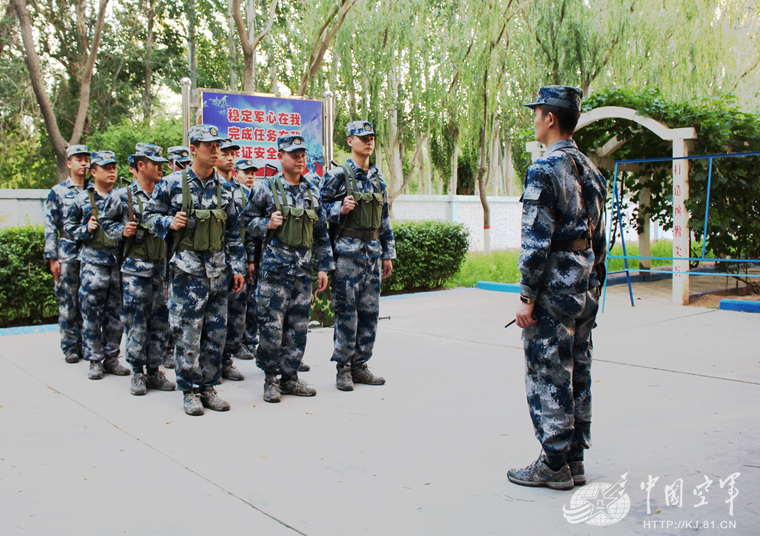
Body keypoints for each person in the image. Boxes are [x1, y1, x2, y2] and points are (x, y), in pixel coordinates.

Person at [507, 86, 607, 490]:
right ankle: (574, 458)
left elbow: (535, 242)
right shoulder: (590, 168)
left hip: (553, 290)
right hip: (584, 285)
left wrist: (527, 297)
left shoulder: (545, 169)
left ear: (550, 118)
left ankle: (552, 462)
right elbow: (600, 237)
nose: (533, 120)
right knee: (578, 368)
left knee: (548, 370)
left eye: (537, 114)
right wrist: (595, 283)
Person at [143, 124, 246, 416]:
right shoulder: (172, 184)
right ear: (192, 149)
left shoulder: (227, 188)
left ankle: (209, 387)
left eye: (217, 145)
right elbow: (149, 215)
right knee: (188, 332)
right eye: (208, 145)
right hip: (187, 272)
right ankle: (190, 390)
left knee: (215, 333)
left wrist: (237, 266)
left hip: (218, 271)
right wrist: (168, 223)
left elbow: (233, 232)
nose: (214, 150)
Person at [240, 134, 334, 403]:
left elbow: (320, 231)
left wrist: (324, 267)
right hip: (274, 272)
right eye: (294, 154)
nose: (300, 158)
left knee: (298, 327)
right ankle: (270, 379)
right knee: (271, 327)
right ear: (280, 157)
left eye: (302, 153)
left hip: (303, 273)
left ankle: (290, 377)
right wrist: (266, 225)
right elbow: (246, 219)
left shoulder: (312, 190)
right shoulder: (266, 188)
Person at [319, 121, 396, 391]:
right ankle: (343, 369)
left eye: (372, 137)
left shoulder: (378, 178)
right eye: (363, 137)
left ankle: (360, 365)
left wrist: (388, 253)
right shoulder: (338, 174)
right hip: (347, 256)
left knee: (370, 312)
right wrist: (338, 209)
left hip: (372, 254)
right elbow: (318, 209)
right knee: (346, 313)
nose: (369, 142)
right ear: (350, 141)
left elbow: (384, 218)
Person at [101, 143, 175, 396]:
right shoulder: (123, 196)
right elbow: (105, 221)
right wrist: (121, 231)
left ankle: (154, 370)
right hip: (135, 271)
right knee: (136, 322)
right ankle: (137, 372)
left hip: (161, 269)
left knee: (160, 322)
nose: (161, 169)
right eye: (156, 164)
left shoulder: (164, 194)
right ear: (141, 166)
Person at [64, 151, 129, 380]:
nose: (112, 171)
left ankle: (112, 358)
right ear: (93, 172)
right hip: (93, 264)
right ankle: (94, 359)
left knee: (116, 315)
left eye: (114, 167)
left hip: (116, 264)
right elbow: (69, 229)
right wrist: (86, 229)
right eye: (106, 168)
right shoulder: (82, 199)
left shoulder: (122, 197)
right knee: (92, 313)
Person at [44, 145, 89, 364]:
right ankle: (71, 346)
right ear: (69, 163)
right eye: (79, 159)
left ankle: (89, 345)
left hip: (92, 254)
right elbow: (51, 226)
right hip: (68, 254)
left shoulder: (95, 190)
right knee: (69, 302)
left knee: (90, 303)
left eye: (86, 159)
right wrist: (53, 259)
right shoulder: (58, 192)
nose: (84, 163)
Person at [216, 154, 256, 381]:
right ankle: (210, 362)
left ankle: (227, 359)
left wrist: (249, 261)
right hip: (211, 263)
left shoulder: (243, 194)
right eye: (225, 153)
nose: (229, 158)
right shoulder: (210, 187)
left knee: (236, 313)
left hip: (236, 262)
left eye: (233, 154)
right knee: (213, 316)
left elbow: (246, 232)